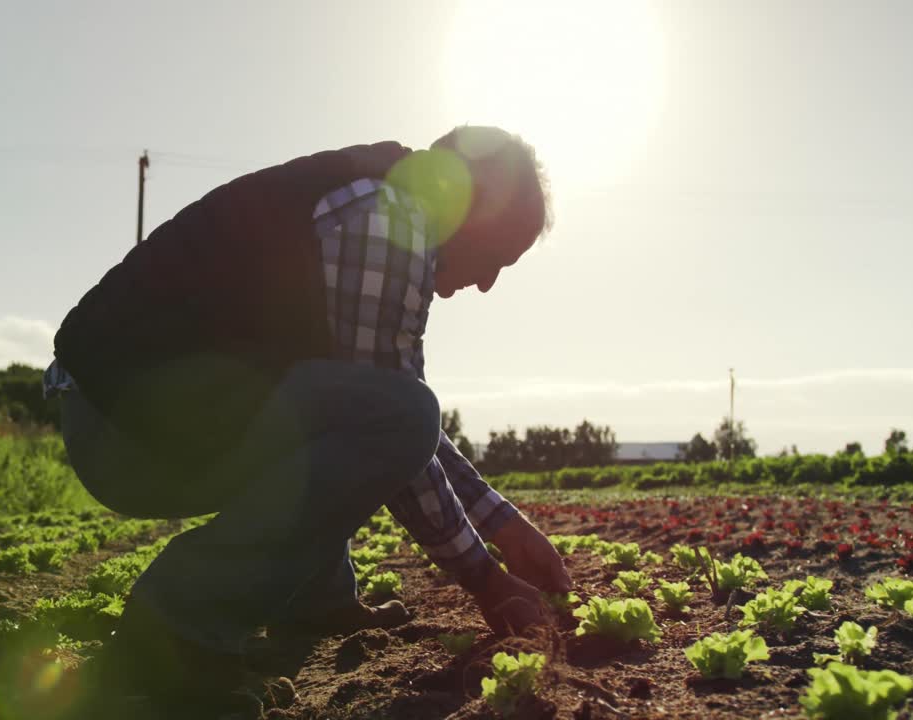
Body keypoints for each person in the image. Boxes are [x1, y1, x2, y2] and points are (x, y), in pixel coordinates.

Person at [44, 126, 573, 716]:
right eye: (499, 255)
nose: (487, 282)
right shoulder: (387, 219)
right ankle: (173, 628)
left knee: (370, 401)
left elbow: (384, 404)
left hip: (134, 413)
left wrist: (506, 528)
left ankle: (314, 596)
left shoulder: (390, 201)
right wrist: (488, 581)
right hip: (121, 435)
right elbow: (397, 419)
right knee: (388, 411)